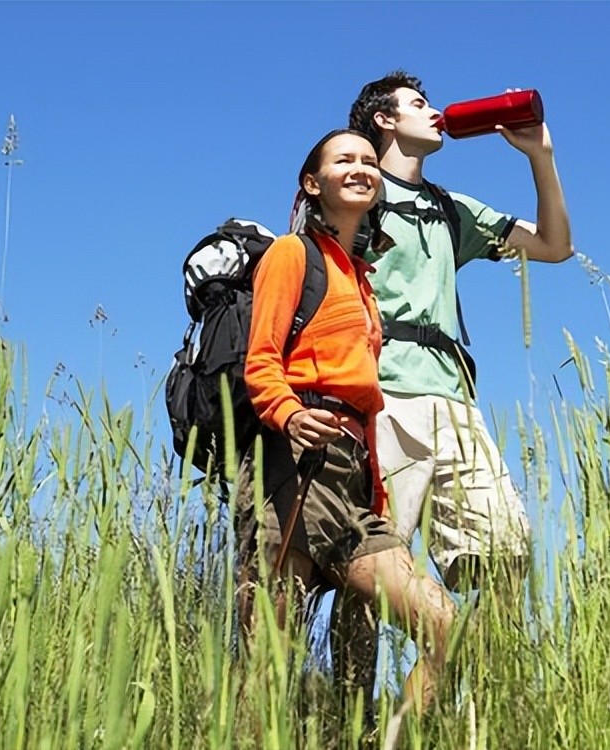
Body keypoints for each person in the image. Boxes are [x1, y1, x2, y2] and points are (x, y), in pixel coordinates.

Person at [329, 70, 573, 709]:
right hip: (381, 398)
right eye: (417, 104)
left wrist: (540, 156)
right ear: (383, 120)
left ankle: (471, 710)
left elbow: (554, 246)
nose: (434, 112)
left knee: (504, 555)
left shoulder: (448, 208)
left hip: (456, 403)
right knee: (378, 568)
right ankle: (350, 715)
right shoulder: (355, 191)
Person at [237, 128, 455, 714]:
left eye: (367, 160)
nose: (361, 167)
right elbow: (260, 359)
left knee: (444, 623)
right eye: (344, 160)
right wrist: (287, 415)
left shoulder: (362, 280)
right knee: (269, 662)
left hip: (354, 478)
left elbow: (366, 399)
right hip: (296, 467)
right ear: (314, 183)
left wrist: (375, 485)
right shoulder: (292, 254)